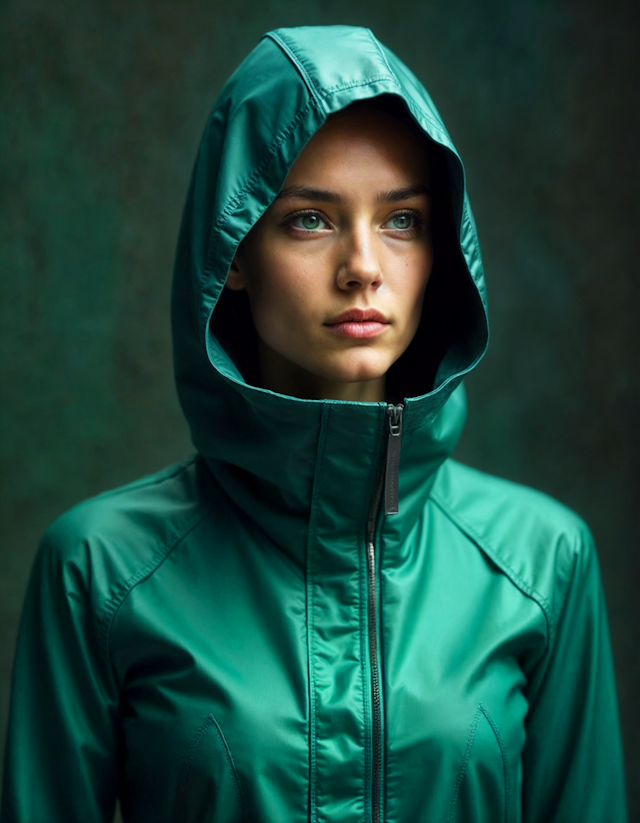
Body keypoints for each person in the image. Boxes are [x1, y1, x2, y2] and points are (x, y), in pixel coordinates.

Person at [0, 24, 628, 823]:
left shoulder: (542, 562)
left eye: (402, 220)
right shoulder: (100, 569)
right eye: (310, 220)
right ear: (235, 249)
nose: (363, 264)